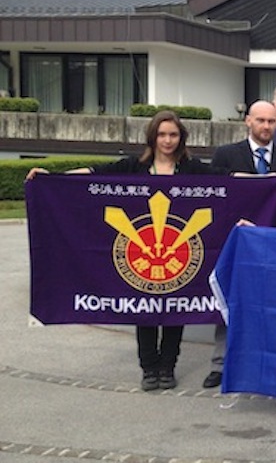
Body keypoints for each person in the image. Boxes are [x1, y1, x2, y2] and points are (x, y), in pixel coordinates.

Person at [27, 111, 222, 392]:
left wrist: (268, 182)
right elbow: (95, 175)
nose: (167, 140)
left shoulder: (193, 169)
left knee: (174, 312)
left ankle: (168, 367)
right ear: (152, 137)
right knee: (144, 313)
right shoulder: (134, 166)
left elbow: (228, 179)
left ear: (181, 138)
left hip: (179, 257)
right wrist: (51, 177)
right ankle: (149, 368)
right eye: (162, 134)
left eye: (173, 134)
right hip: (139, 257)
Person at [203, 100, 276, 389]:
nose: (266, 127)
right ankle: (220, 364)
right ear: (248, 121)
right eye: (261, 121)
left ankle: (268, 363)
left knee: (271, 306)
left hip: (274, 246)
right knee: (227, 304)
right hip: (234, 245)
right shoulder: (226, 155)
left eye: (271, 122)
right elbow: (215, 196)